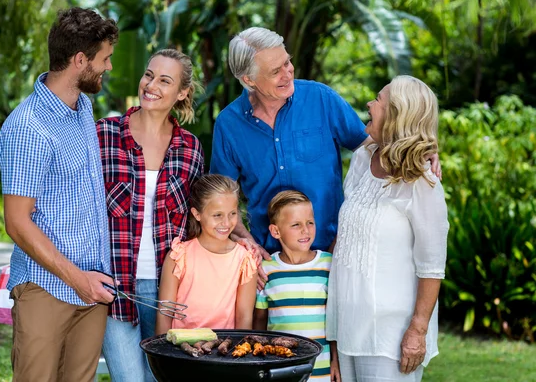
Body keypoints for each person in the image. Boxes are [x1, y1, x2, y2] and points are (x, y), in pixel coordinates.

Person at [210, 27, 441, 287]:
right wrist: (248, 245)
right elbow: (222, 201)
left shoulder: (321, 99)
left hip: (332, 260)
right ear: (249, 80)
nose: (287, 73)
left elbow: (373, 146)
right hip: (270, 266)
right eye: (275, 71)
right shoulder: (228, 125)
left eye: (287, 62)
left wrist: (419, 148)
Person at [0, 8, 118, 381]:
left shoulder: (82, 106)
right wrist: (77, 278)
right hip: (46, 288)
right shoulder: (28, 128)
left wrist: (89, 280)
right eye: (105, 59)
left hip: (92, 288)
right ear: (80, 60)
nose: (109, 68)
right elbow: (17, 223)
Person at [326, 76, 449, 382]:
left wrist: (417, 331)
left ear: (397, 113)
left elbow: (432, 266)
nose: (369, 104)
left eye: (378, 100)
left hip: (391, 336)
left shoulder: (423, 180)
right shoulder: (361, 158)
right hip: (348, 326)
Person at [96, 49, 205, 381]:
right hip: (117, 289)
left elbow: (200, 221)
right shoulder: (103, 135)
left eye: (165, 80)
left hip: (170, 290)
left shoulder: (190, 148)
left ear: (182, 92)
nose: (151, 85)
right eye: (149, 75)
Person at [156, 174, 258, 334]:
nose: (226, 222)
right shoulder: (179, 255)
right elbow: (165, 313)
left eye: (232, 214)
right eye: (217, 215)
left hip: (224, 350)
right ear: (197, 214)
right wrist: (162, 354)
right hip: (180, 351)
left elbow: (244, 317)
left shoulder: (245, 259)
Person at [254, 190, 337, 382]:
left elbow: (336, 319)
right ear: (276, 231)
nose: (305, 230)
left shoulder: (328, 265)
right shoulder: (267, 270)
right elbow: (259, 320)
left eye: (310, 222)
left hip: (321, 368)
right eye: (296, 225)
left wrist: (336, 360)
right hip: (280, 369)